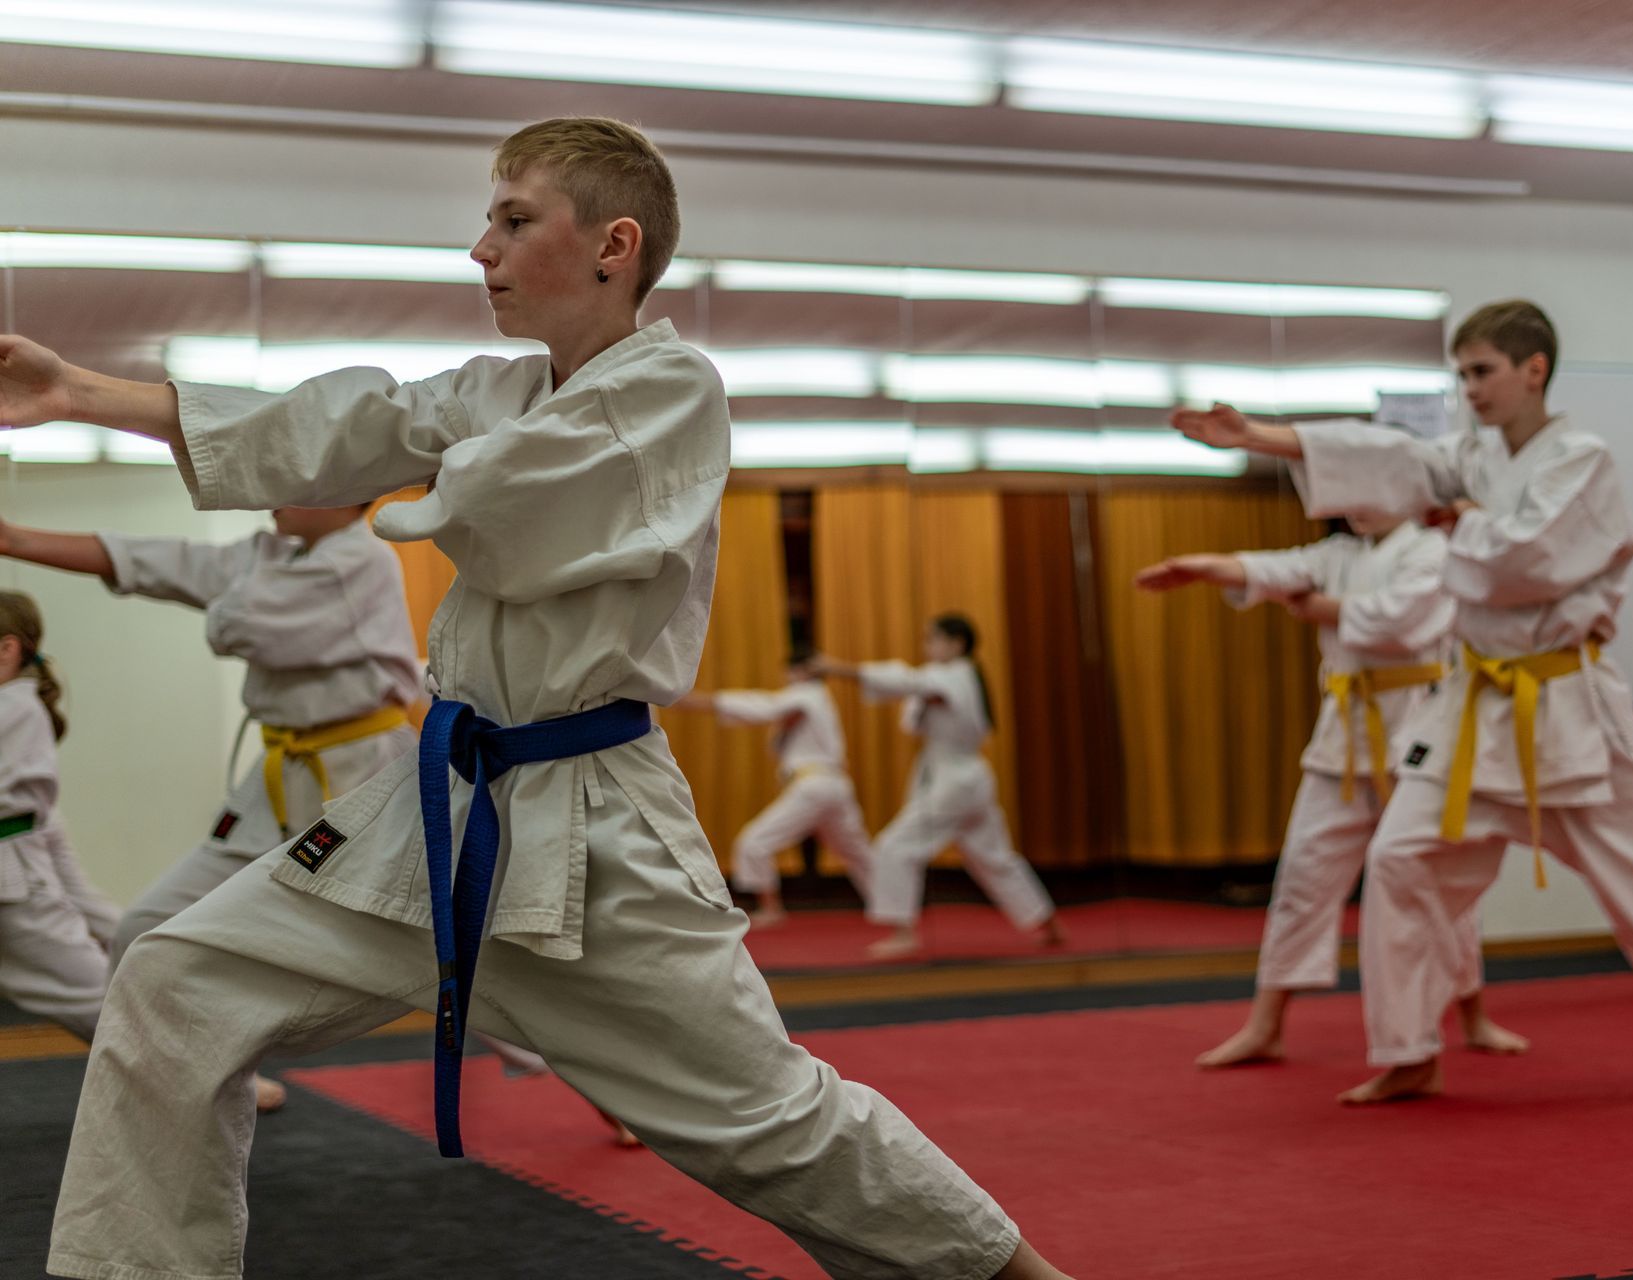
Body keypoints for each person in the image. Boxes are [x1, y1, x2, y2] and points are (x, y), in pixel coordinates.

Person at [6, 115, 1069, 1280]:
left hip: (596, 830)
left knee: (768, 1123)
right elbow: (338, 426)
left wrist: (420, 473)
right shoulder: (498, 390)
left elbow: (512, 504)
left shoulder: (670, 388)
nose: (483, 248)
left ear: (615, 245)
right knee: (171, 979)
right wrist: (80, 389)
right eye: (489, 221)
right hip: (441, 807)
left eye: (514, 220)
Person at [1172, 299, 1633, 1103]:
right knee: (1402, 860)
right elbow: (1396, 461)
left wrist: (1461, 522)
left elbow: (1530, 559)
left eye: (1482, 371)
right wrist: (1262, 436)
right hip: (1472, 709)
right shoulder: (1475, 457)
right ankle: (1410, 1050)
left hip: (1565, 706)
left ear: (1534, 369)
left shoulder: (1582, 460)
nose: (1470, 388)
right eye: (1461, 374)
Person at [0, 504, 420, 1113]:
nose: (270, 495)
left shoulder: (364, 560)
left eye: (291, 478)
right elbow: (157, 562)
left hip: (362, 778)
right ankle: (181, 1082)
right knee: (144, 924)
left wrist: (227, 595)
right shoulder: (270, 556)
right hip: (275, 779)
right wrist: (16, 539)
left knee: (432, 938)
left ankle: (552, 1061)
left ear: (345, 492)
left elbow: (239, 625)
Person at [1135, 513, 1526, 1069]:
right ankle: (1266, 1025)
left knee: (1436, 882)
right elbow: (1272, 568)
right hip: (1340, 741)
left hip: (1416, 733)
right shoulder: (1339, 554)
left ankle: (1473, 1015)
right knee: (1302, 876)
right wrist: (1203, 567)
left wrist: (1319, 607)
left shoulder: (1432, 550)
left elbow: (1400, 621)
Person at [812, 614, 1063, 960]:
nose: (927, 646)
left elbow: (905, 681)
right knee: (994, 857)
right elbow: (914, 692)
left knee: (895, 846)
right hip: (968, 778)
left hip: (954, 781)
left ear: (956, 644)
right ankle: (1049, 923)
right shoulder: (960, 677)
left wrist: (836, 669)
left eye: (933, 639)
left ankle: (903, 933)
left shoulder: (953, 675)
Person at [678, 652, 872, 928]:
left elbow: (766, 705)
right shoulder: (818, 702)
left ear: (800, 672)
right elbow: (779, 712)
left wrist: (707, 702)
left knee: (754, 842)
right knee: (857, 852)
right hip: (834, 785)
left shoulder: (807, 694)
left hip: (814, 786)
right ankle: (890, 904)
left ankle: (771, 908)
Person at [0, 591, 115, 1042]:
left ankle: (215, 1074)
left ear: (7, 649)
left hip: (14, 888)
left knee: (100, 1001)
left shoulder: (17, 709)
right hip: (20, 874)